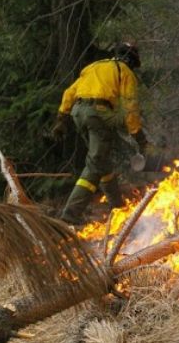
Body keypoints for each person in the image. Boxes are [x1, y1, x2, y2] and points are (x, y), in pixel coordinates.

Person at [53, 42, 147, 224]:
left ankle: (118, 207)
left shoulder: (94, 67)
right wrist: (138, 136)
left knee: (101, 161)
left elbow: (69, 92)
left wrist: (61, 118)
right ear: (131, 61)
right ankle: (69, 216)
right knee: (95, 165)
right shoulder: (125, 72)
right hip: (98, 114)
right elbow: (130, 108)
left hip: (78, 112)